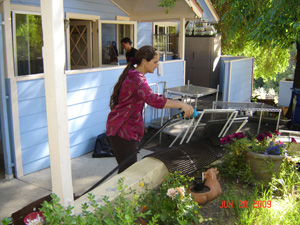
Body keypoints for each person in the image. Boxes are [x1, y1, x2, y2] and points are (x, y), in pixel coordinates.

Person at [106, 45, 194, 173]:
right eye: (155, 62)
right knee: (128, 173)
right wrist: (181, 104)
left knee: (127, 171)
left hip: (125, 130)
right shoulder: (136, 78)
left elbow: (151, 97)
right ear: (143, 61)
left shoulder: (135, 76)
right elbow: (153, 100)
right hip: (122, 131)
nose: (157, 65)